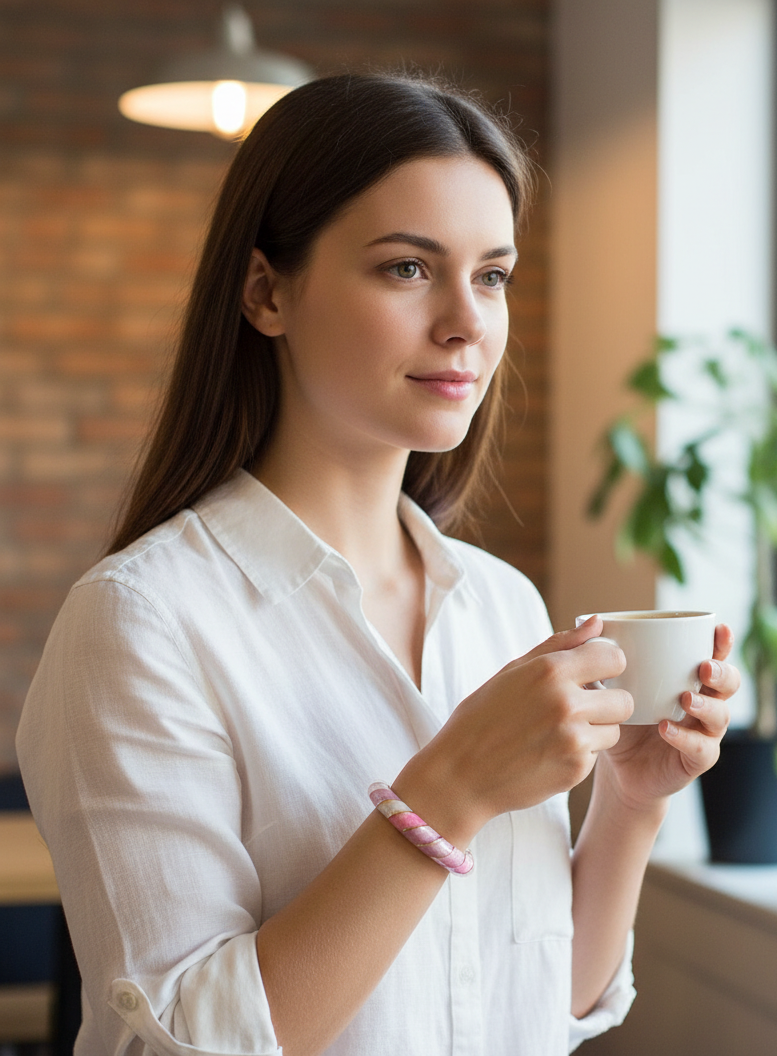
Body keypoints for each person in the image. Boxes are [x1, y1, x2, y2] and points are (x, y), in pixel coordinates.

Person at [16, 72, 738, 1056]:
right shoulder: (141, 624)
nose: (466, 322)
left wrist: (629, 804)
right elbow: (183, 1043)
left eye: (491, 275)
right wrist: (448, 792)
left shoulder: (500, 604)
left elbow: (531, 1004)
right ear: (268, 292)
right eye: (407, 269)